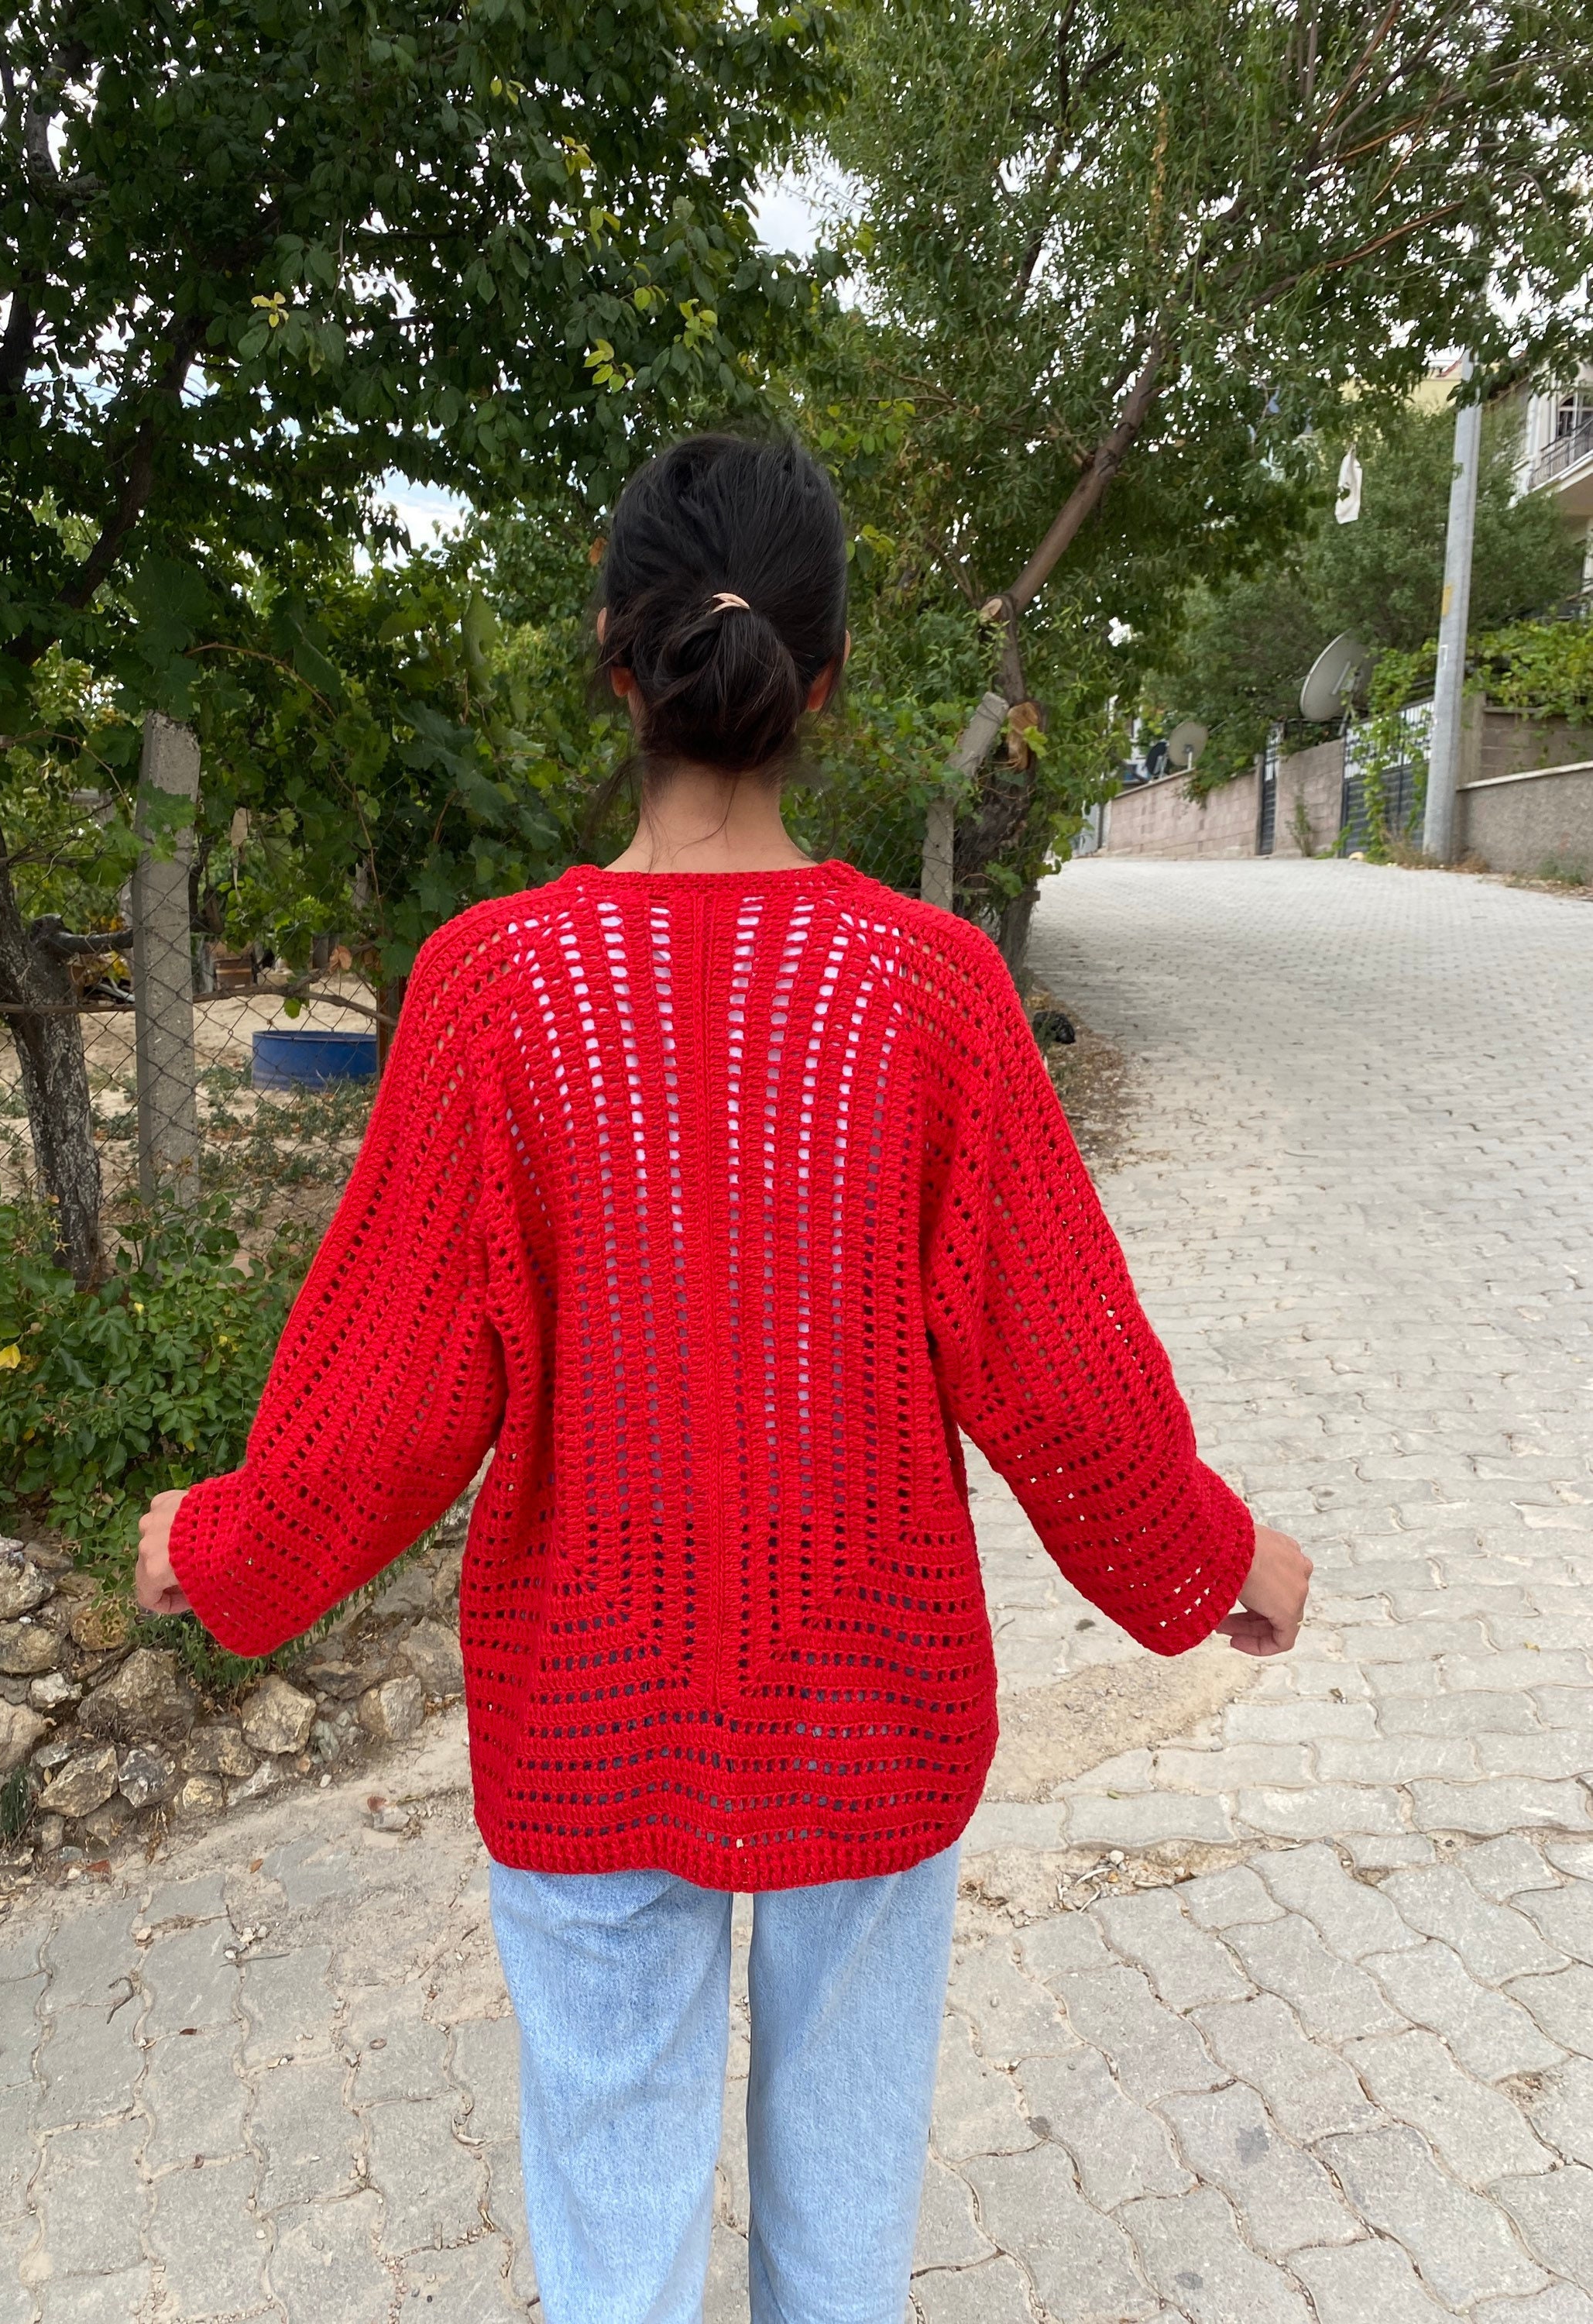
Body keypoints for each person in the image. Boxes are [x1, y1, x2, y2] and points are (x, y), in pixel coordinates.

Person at [134, 431, 1311, 2324]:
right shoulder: (930, 993)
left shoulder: (489, 989)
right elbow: (1055, 1370)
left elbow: (399, 1393)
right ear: (826, 686)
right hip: (871, 1692)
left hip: (590, 1703)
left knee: (613, 2233)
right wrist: (1218, 1552)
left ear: (619, 660)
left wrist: (219, 1546)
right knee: (841, 2240)